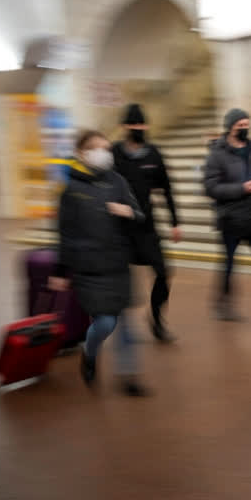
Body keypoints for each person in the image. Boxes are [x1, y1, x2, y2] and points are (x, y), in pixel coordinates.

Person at [49, 130, 148, 396]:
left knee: (126, 323)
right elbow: (64, 232)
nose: (104, 153)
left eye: (106, 148)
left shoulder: (117, 181)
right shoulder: (70, 189)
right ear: (82, 153)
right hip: (89, 267)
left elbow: (139, 215)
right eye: (97, 148)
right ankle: (89, 351)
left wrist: (128, 212)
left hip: (117, 262)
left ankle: (129, 378)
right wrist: (60, 269)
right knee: (105, 322)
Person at [111, 104, 179, 343]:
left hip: (147, 227)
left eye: (142, 124)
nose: (138, 129)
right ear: (124, 127)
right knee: (122, 284)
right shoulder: (114, 154)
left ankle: (156, 320)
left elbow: (167, 188)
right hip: (120, 229)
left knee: (163, 273)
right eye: (134, 125)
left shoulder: (153, 153)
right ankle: (119, 329)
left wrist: (175, 222)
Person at [204, 108, 251, 321]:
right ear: (230, 127)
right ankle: (223, 302)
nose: (245, 129)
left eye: (247, 125)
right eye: (240, 125)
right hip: (231, 218)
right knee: (228, 263)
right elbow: (211, 188)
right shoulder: (217, 154)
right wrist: (242, 188)